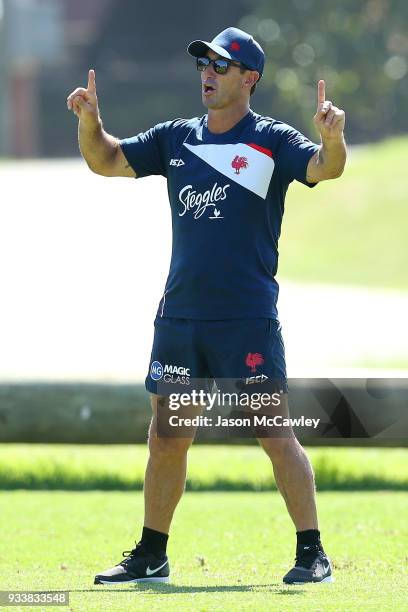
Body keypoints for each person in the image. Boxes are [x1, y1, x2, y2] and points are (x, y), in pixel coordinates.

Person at [67, 26, 346, 586]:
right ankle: (151, 554)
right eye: (204, 65)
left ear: (250, 78)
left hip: (246, 319)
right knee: (168, 436)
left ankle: (313, 553)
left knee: (273, 432)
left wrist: (333, 138)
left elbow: (324, 167)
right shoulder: (176, 138)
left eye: (221, 66)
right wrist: (88, 121)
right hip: (180, 317)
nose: (208, 74)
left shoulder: (271, 140)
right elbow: (107, 161)